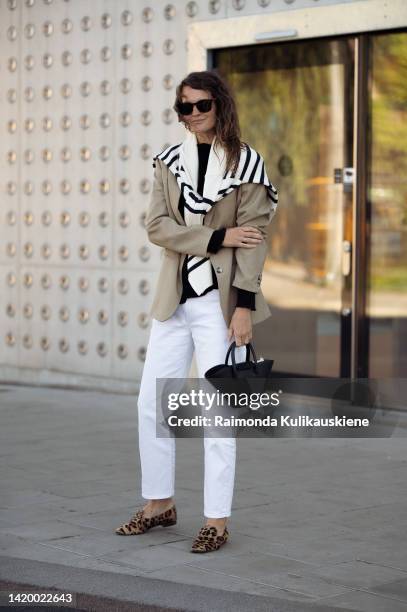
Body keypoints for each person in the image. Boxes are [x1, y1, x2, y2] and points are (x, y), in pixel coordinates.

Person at [115, 70, 278, 553]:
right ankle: (158, 504)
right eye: (182, 107)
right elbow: (156, 227)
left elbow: (252, 239)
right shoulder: (169, 161)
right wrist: (215, 237)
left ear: (220, 105)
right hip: (174, 300)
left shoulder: (247, 163)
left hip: (220, 305)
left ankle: (216, 520)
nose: (191, 116)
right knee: (151, 403)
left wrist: (244, 306)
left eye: (200, 106)